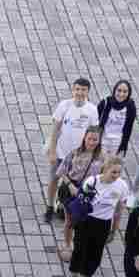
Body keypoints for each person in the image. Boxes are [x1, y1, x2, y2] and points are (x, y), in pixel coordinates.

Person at [66, 155, 130, 277]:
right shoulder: (92, 181)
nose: (116, 176)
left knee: (95, 255)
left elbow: (119, 209)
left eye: (119, 172)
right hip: (87, 221)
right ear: (105, 169)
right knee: (79, 251)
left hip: (104, 224)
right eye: (113, 172)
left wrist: (114, 230)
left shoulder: (122, 186)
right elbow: (81, 202)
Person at [43, 78, 99, 221]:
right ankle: (49, 206)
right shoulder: (64, 105)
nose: (80, 92)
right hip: (61, 152)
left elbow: (93, 133)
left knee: (73, 181)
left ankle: (63, 205)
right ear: (73, 90)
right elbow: (55, 129)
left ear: (88, 92)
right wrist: (52, 151)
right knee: (54, 179)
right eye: (77, 89)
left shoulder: (92, 110)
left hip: (78, 156)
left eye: (83, 90)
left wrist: (91, 153)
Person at [54, 126, 105, 259]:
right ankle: (67, 244)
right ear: (84, 138)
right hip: (71, 191)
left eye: (95, 140)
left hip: (88, 194)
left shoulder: (102, 158)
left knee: (84, 222)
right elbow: (61, 172)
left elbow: (104, 177)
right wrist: (70, 185)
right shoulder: (75, 153)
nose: (92, 142)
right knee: (69, 220)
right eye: (89, 139)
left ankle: (79, 244)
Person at [96, 80, 136, 156]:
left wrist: (124, 146)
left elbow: (129, 128)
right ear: (114, 90)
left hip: (117, 143)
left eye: (125, 92)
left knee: (112, 167)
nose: (121, 94)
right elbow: (96, 121)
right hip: (102, 141)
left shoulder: (130, 106)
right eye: (119, 90)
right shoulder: (105, 103)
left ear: (128, 93)